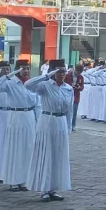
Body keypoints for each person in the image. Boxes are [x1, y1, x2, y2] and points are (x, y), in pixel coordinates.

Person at [24, 59, 73, 202]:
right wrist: (46, 75)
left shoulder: (68, 88)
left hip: (61, 121)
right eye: (59, 71)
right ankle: (44, 189)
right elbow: (28, 85)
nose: (62, 74)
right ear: (53, 72)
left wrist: (69, 127)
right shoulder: (45, 86)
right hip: (47, 120)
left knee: (58, 155)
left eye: (64, 71)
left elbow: (69, 110)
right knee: (46, 154)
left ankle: (54, 188)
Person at [0, 60, 39, 192]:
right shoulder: (10, 83)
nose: (26, 71)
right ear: (17, 70)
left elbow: (38, 104)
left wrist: (38, 121)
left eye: (28, 68)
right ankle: (13, 179)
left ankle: (24, 180)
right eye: (23, 69)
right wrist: (7, 76)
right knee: (15, 148)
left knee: (28, 149)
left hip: (29, 116)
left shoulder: (32, 85)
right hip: (16, 116)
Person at [65, 63, 85, 132]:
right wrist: (70, 86)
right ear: (75, 70)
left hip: (76, 95)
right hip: (67, 95)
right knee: (67, 110)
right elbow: (64, 84)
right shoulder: (68, 75)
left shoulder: (81, 77)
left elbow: (82, 87)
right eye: (78, 72)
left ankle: (73, 125)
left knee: (74, 111)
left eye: (80, 73)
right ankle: (66, 124)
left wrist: (79, 87)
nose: (78, 74)